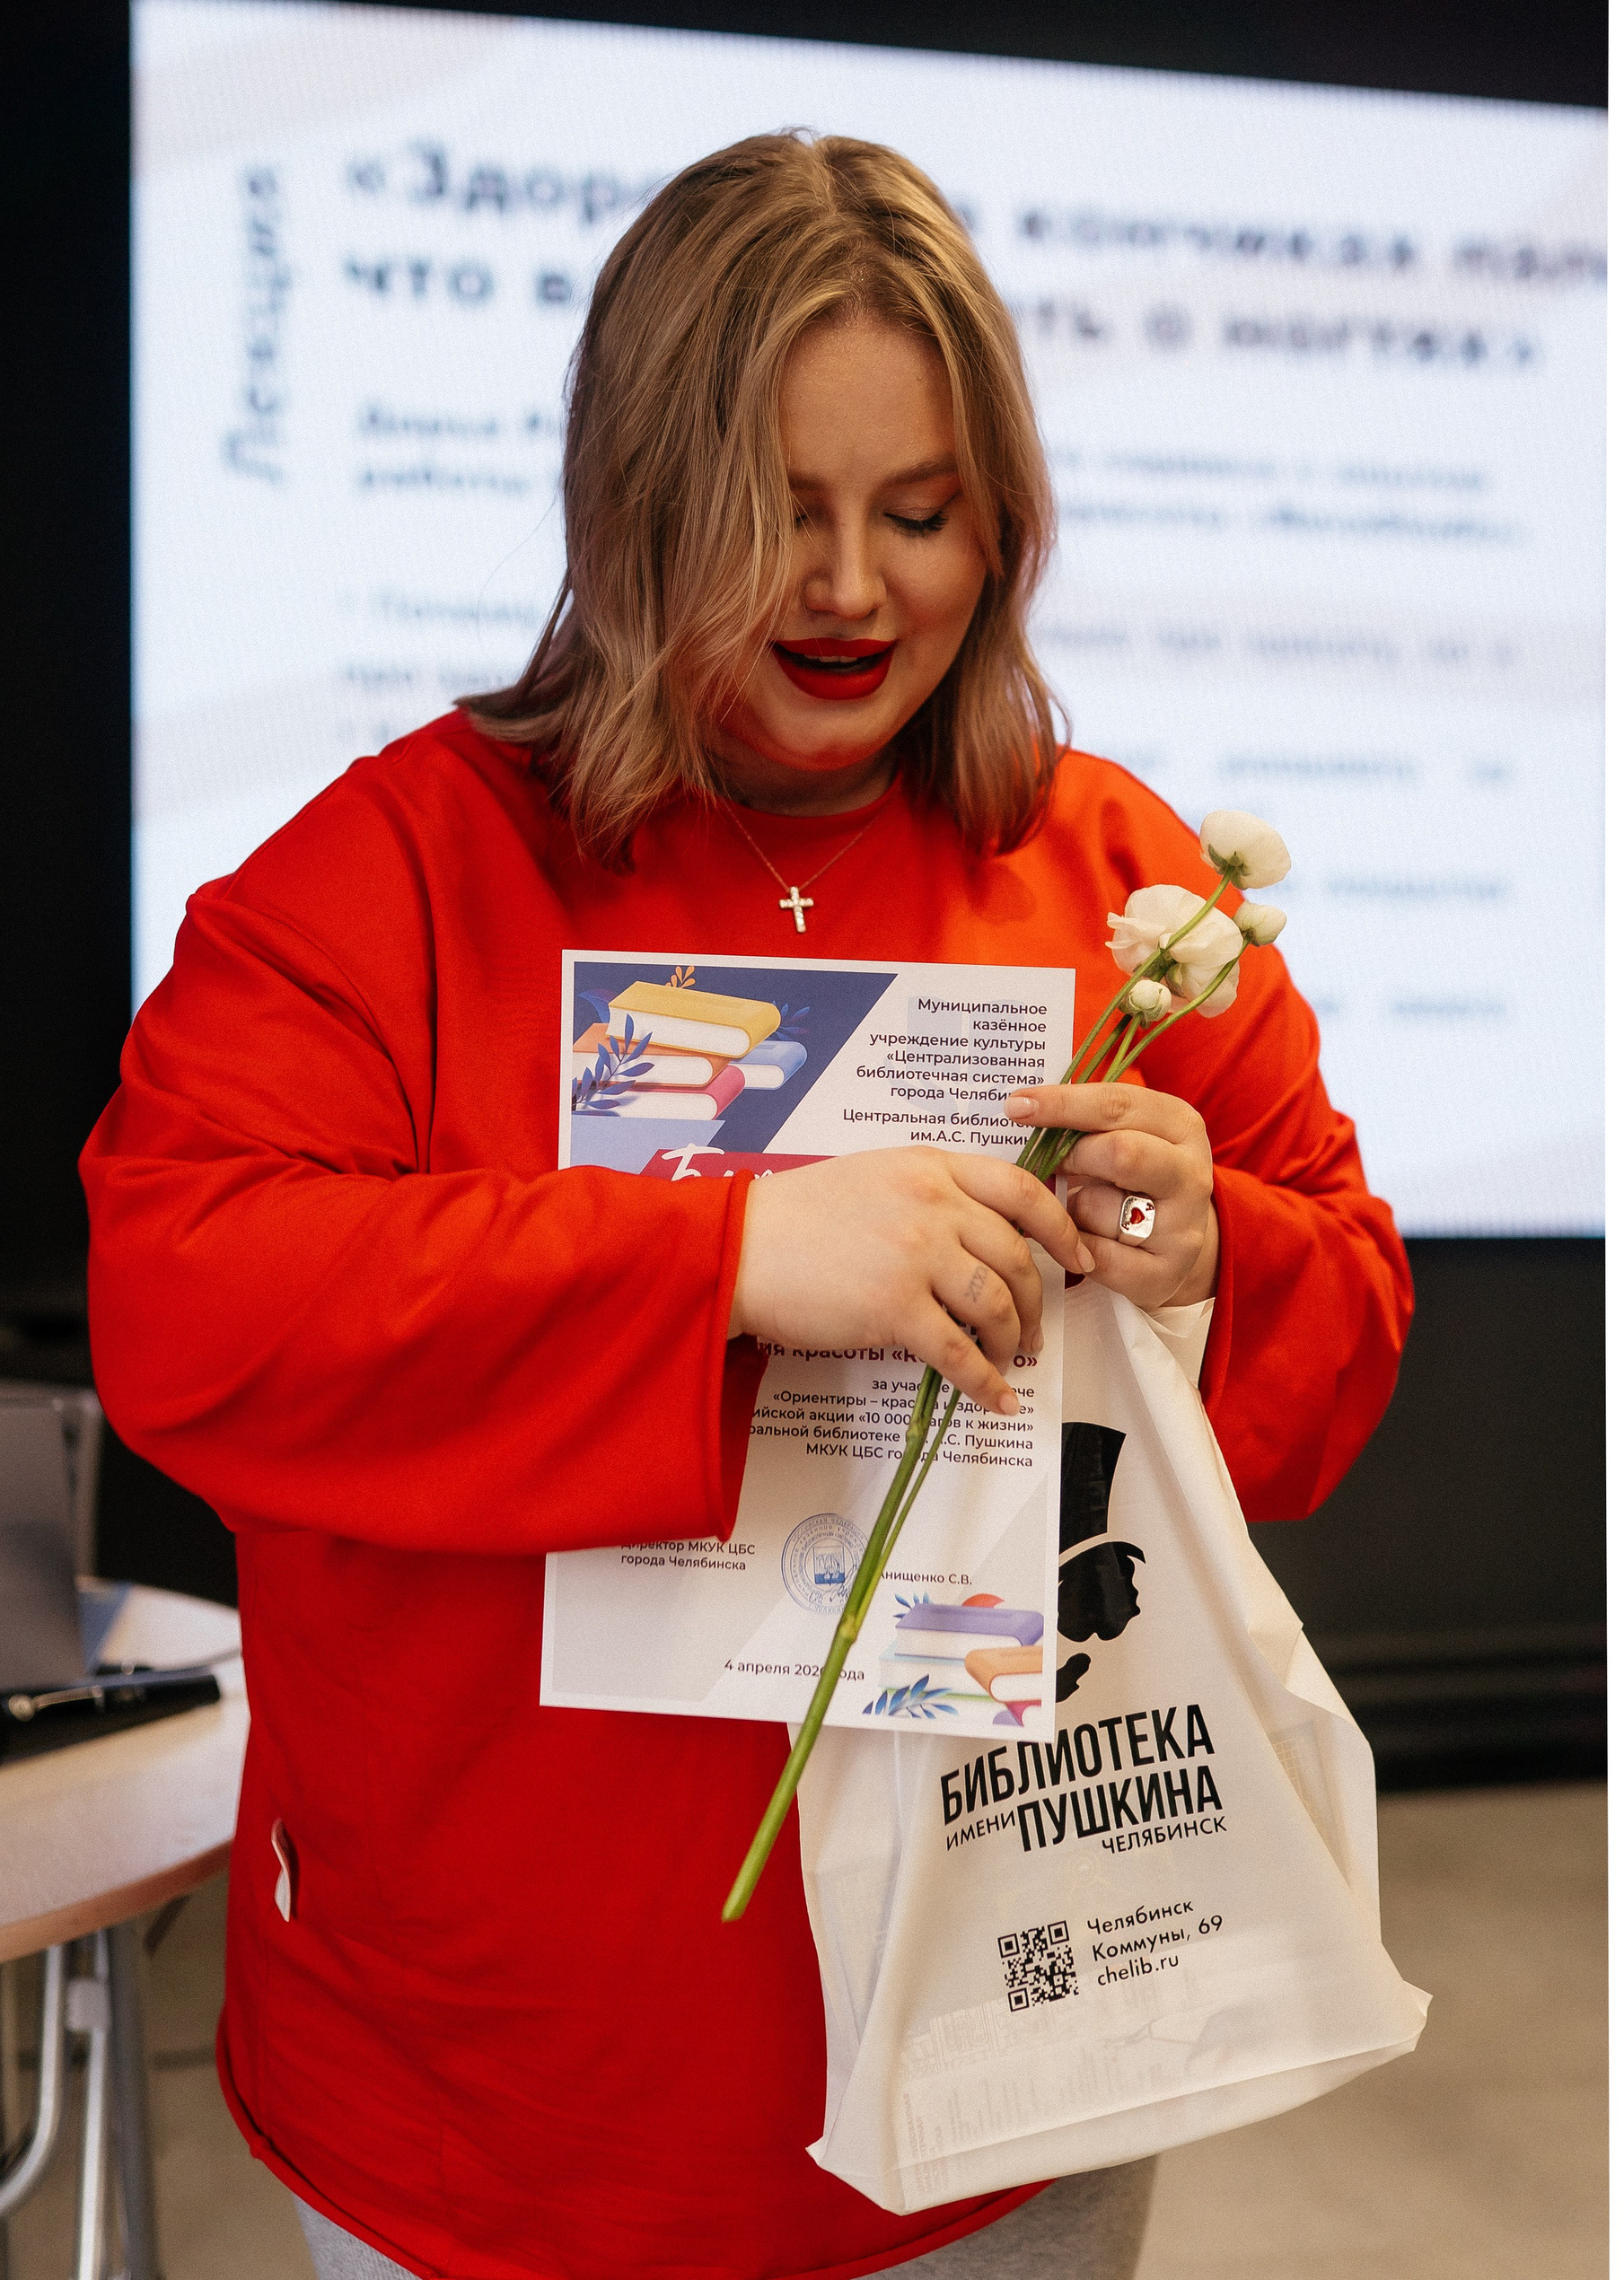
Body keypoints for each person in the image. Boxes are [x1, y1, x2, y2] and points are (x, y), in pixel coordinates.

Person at [81, 133, 1411, 2280]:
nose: (853, 589)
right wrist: (730, 1261)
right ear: (632, 503)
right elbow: (187, 1299)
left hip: (1003, 2069)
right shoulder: (403, 869)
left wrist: (1210, 1260)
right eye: (777, 512)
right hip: (496, 2098)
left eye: (923, 512)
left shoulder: (1119, 884)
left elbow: (1341, 1324)